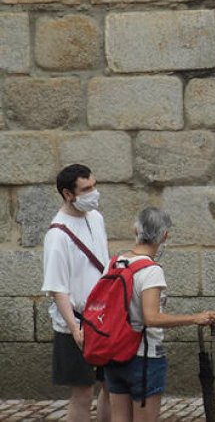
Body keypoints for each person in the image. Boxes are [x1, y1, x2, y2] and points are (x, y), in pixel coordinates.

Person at [105, 207, 215, 422]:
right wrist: (194, 318)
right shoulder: (151, 271)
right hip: (144, 357)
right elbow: (152, 318)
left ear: (135, 230)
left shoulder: (114, 263)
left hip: (114, 354)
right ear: (165, 236)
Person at [41, 163, 112, 422]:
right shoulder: (57, 235)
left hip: (104, 319)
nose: (94, 193)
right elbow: (57, 288)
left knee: (111, 387)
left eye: (94, 185)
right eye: (86, 189)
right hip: (76, 323)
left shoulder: (96, 218)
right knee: (83, 391)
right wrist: (74, 328)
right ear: (68, 194)